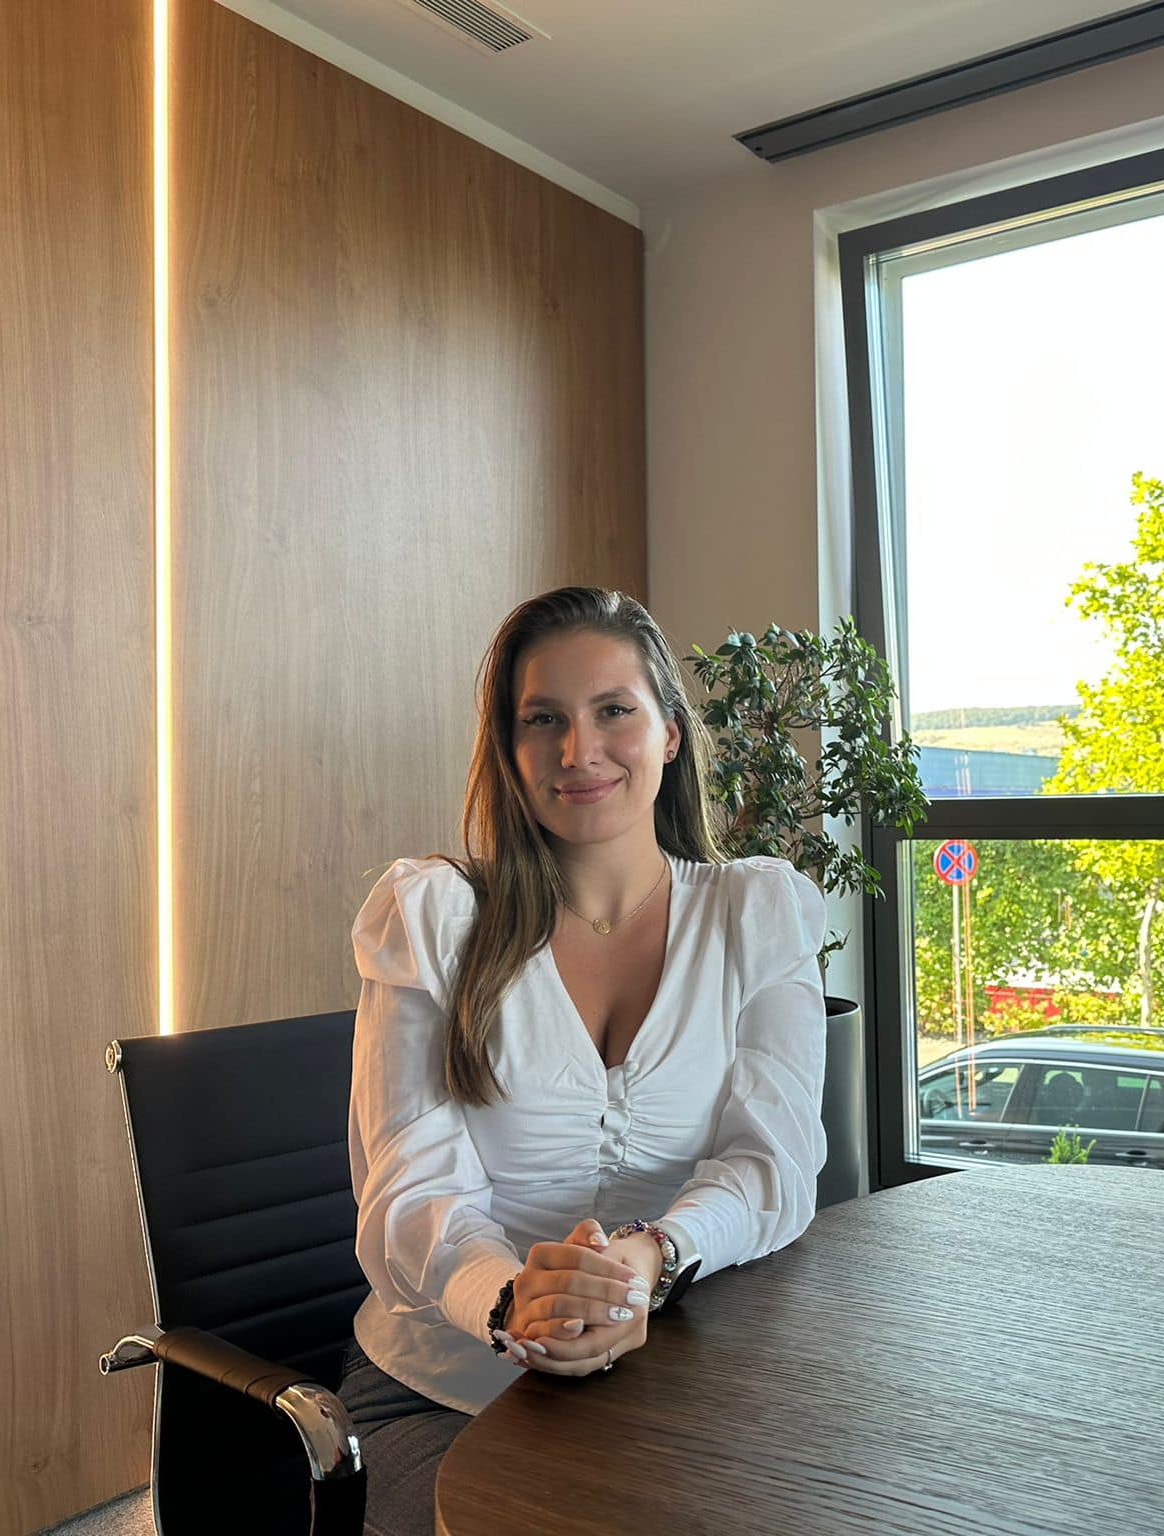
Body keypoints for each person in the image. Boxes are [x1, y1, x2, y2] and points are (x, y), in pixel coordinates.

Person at [340, 586, 829, 1530]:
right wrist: (512, 1302)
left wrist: (651, 1257)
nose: (578, 750)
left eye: (613, 710)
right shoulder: (436, 919)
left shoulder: (756, 915)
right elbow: (412, 1193)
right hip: (444, 1390)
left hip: (672, 1378)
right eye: (543, 720)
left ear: (670, 733)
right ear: (508, 747)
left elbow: (771, 1164)